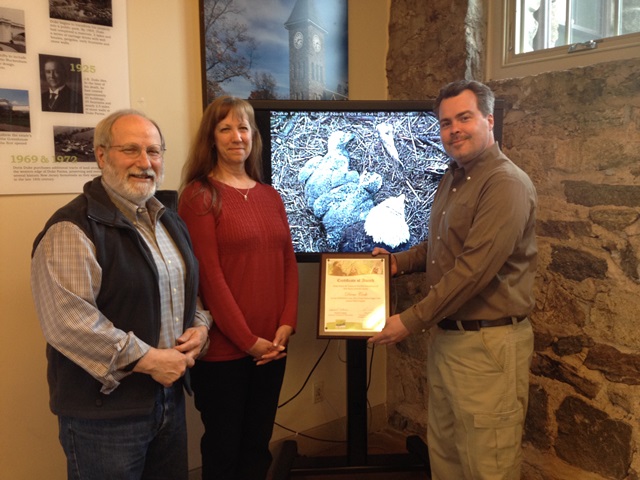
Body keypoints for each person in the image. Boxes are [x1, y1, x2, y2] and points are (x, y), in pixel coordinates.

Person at [369, 80, 537, 480]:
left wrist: (408, 321)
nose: (454, 130)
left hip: (487, 347)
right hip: (449, 341)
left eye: (464, 118)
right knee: (446, 457)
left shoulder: (505, 184)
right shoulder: (455, 176)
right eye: (446, 122)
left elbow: (472, 271)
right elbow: (442, 245)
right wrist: (397, 263)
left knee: (487, 463)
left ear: (488, 120)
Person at [31, 109, 211, 480]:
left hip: (168, 402)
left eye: (154, 151)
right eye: (130, 150)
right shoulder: (71, 228)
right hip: (104, 418)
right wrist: (149, 360)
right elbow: (69, 323)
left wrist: (201, 327)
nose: (145, 163)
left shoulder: (167, 219)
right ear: (101, 155)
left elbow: (185, 292)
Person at [178, 96, 298, 480]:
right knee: (224, 451)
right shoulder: (198, 196)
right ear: (211, 138)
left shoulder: (270, 196)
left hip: (273, 347)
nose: (236, 136)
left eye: (243, 127)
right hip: (225, 353)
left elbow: (288, 266)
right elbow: (209, 279)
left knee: (257, 447)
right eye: (225, 128)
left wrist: (286, 326)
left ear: (254, 136)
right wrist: (248, 341)